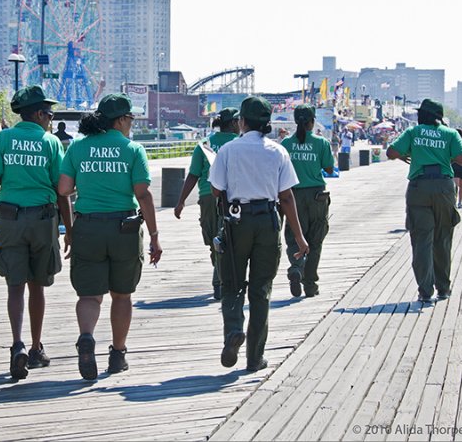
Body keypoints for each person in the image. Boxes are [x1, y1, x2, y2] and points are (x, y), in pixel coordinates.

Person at [58, 93, 160, 380]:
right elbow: (143, 194)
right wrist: (154, 235)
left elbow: (64, 189)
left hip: (88, 227)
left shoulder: (78, 146)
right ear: (120, 120)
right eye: (130, 118)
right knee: (122, 294)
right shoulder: (132, 149)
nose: (132, 124)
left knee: (89, 295)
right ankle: (117, 354)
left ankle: (87, 337)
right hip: (123, 229)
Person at [208, 96, 308, 372]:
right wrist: (299, 237)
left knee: (232, 285)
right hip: (268, 222)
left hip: (236, 222)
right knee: (261, 291)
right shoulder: (278, 152)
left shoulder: (228, 150)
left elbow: (216, 189)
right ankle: (255, 358)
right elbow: (286, 197)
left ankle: (233, 332)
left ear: (242, 121)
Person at [0, 85, 73, 381]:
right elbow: (62, 190)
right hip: (42, 219)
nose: (50, 118)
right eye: (48, 113)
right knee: (38, 285)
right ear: (37, 114)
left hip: (9, 218)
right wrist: (69, 230)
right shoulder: (50, 143)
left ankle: (17, 344)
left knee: (14, 285)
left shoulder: (3, 138)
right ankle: (36, 348)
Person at [386, 99, 462, 303]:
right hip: (443, 187)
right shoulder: (449, 134)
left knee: (421, 241)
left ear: (423, 115)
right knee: (443, 238)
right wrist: (447, 157)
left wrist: (406, 155)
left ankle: (425, 291)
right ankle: (443, 288)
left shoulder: (414, 132)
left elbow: (391, 152)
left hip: (419, 188)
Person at [173, 108, 239, 300]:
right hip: (232, 197)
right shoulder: (238, 144)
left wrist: (181, 202)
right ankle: (220, 277)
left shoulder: (204, 144)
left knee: (214, 240)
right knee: (230, 238)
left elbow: (193, 174)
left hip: (207, 196)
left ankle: (218, 276)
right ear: (234, 123)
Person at [281, 105, 335, 298]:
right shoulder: (321, 143)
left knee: (294, 236)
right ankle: (310, 285)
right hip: (317, 197)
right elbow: (329, 169)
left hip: (292, 196)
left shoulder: (286, 144)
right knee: (315, 239)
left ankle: (296, 267)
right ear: (312, 121)